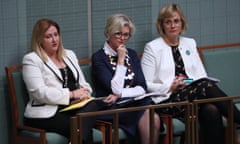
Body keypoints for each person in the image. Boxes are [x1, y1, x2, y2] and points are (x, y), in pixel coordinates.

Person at [141, 3, 240, 144]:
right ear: (162, 25)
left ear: (182, 23)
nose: (172, 25)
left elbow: (201, 75)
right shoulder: (152, 47)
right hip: (167, 100)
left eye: (176, 21)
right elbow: (146, 84)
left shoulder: (190, 43)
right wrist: (171, 86)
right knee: (206, 86)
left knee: (211, 109)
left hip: (193, 96)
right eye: (168, 22)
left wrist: (187, 83)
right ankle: (238, 120)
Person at [22, 18, 101, 143]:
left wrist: (85, 93)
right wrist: (71, 94)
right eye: (48, 36)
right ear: (39, 40)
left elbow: (83, 83)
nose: (54, 40)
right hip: (47, 112)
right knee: (83, 129)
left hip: (72, 107)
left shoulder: (69, 55)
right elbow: (39, 93)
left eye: (56, 35)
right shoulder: (32, 60)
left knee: (92, 105)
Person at [91, 14, 161, 144]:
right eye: (118, 34)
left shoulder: (133, 54)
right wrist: (121, 59)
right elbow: (114, 89)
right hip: (112, 108)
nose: (122, 39)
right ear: (108, 33)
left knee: (153, 118)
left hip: (134, 103)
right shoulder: (99, 58)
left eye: (126, 35)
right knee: (149, 118)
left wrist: (121, 94)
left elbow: (142, 87)